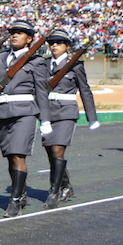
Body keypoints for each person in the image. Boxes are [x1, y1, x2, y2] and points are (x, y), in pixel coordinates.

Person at [0, 20, 51, 217]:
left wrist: (45, 119)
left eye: (20, 33)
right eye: (12, 32)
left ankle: (14, 200)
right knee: (9, 156)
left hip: (25, 112)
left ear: (29, 38)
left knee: (18, 155)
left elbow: (41, 91)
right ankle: (20, 193)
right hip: (2, 111)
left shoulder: (37, 61)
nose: (14, 35)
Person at [43, 29, 99, 208]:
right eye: (51, 43)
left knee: (57, 149)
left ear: (67, 46)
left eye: (59, 43)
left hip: (66, 112)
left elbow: (85, 90)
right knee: (50, 153)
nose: (54, 46)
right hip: (47, 112)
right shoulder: (44, 64)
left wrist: (92, 117)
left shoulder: (75, 66)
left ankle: (54, 191)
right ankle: (66, 186)